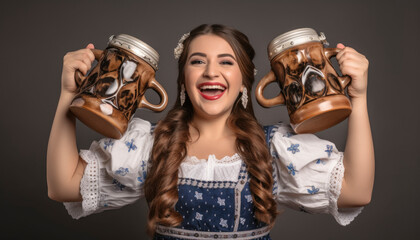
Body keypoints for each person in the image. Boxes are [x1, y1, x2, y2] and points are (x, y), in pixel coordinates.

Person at [47, 24, 374, 239]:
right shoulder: (152, 145)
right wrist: (68, 96)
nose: (211, 72)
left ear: (246, 81)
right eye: (197, 61)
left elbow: (356, 192)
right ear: (184, 79)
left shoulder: (272, 148)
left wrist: (357, 99)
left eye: (226, 62)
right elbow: (63, 186)